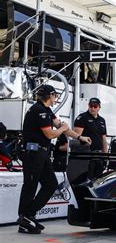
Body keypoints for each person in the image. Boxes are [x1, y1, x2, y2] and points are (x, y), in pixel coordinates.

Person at [18, 85, 91, 234]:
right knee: (30, 186)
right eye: (55, 95)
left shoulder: (46, 110)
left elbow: (61, 125)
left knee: (50, 184)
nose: (55, 98)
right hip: (33, 153)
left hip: (42, 153)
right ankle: (25, 217)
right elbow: (51, 134)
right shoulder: (39, 111)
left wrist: (80, 137)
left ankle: (28, 215)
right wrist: (62, 129)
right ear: (50, 95)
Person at [73, 97, 108, 179]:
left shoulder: (102, 120)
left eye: (95, 106)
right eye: (90, 106)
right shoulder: (82, 117)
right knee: (87, 178)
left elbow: (103, 138)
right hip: (87, 154)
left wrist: (105, 155)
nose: (92, 108)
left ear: (99, 107)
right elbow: (76, 137)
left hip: (99, 155)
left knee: (98, 179)